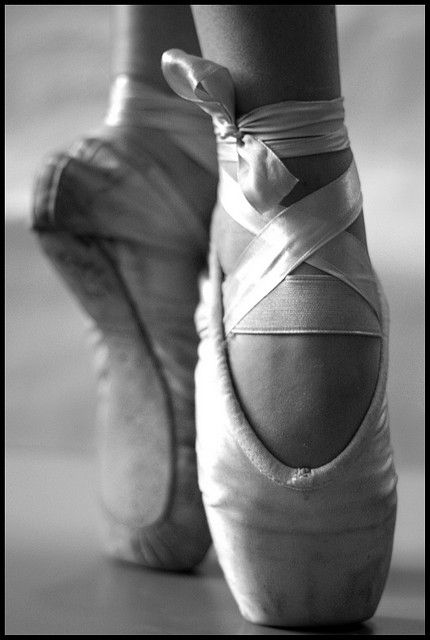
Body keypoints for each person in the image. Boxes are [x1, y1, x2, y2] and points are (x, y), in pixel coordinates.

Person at [32, 5, 397, 628]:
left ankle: (159, 131)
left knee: (198, 122)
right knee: (289, 144)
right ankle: (297, 178)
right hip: (300, 272)